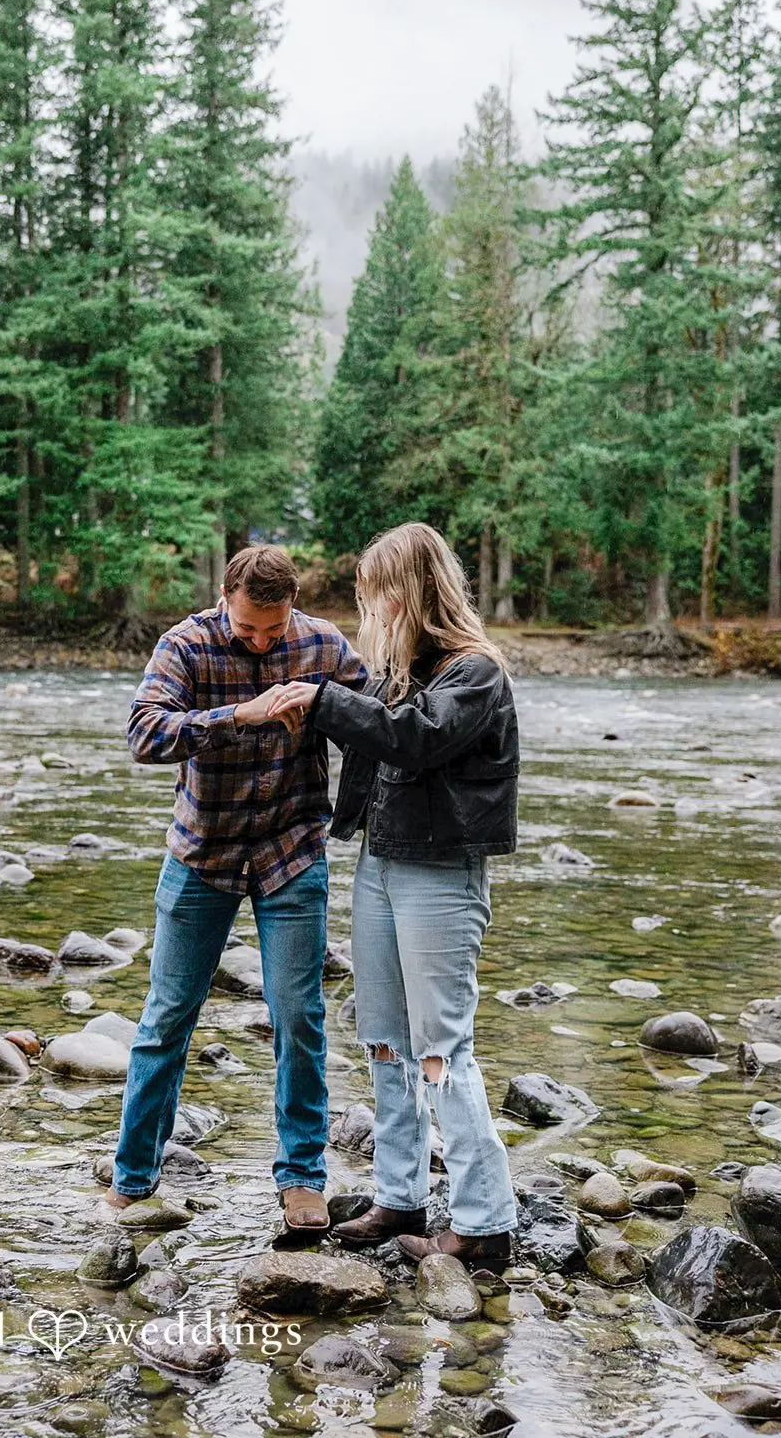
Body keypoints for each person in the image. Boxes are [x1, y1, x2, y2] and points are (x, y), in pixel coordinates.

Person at [267, 522, 518, 1268]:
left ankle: (483, 1219)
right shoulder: (400, 673)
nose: (368, 607)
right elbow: (376, 729)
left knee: (441, 1048)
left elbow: (412, 739)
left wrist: (321, 701)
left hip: (440, 875)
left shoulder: (473, 674)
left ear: (409, 591)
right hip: (380, 865)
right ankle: (399, 1196)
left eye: (375, 593)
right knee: (382, 1038)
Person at [106, 545, 367, 1237]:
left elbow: (374, 720)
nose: (261, 640)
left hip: (291, 850)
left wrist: (327, 711)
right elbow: (142, 734)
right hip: (202, 855)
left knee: (299, 1016)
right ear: (224, 596)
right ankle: (132, 1179)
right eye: (248, 629)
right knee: (166, 1019)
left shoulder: (321, 642)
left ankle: (302, 1178)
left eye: (272, 632)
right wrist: (241, 716)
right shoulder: (184, 646)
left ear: (292, 609)